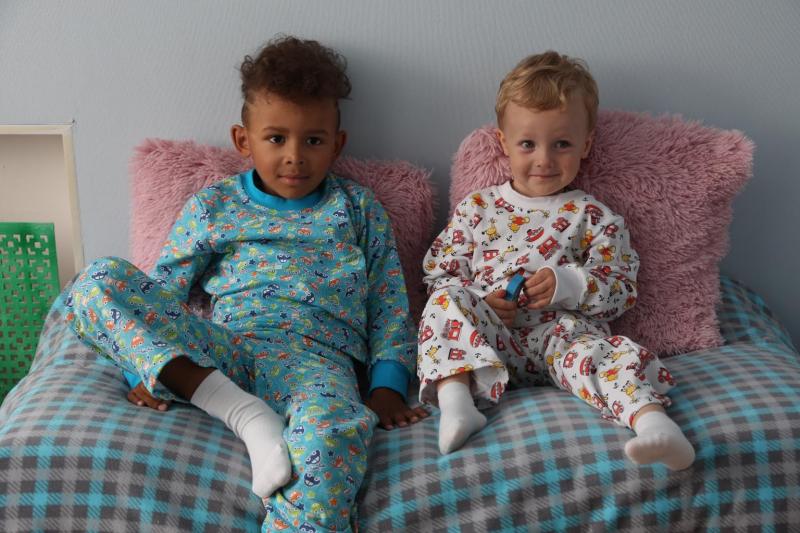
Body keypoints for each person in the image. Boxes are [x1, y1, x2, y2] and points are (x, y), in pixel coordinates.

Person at [66, 35, 428, 532]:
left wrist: (388, 386)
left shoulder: (357, 209)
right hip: (228, 350)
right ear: (244, 140)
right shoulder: (213, 206)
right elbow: (162, 294)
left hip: (317, 363)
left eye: (313, 140)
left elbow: (389, 305)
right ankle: (243, 414)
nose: (295, 157)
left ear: (337, 144)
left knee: (333, 436)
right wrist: (142, 370)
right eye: (276, 139)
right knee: (97, 280)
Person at [416, 51, 695, 471]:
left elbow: (621, 288)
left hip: (563, 338)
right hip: (490, 342)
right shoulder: (477, 209)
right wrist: (481, 302)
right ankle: (457, 405)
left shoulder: (593, 216)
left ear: (585, 146)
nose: (544, 159)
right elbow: (440, 272)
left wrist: (568, 283)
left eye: (561, 144)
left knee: (609, 356)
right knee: (445, 301)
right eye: (528, 144)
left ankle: (655, 425)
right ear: (503, 143)